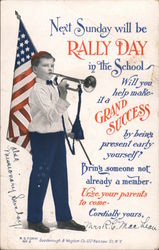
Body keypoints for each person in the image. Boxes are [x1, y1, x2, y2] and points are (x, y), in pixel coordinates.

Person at [27, 51, 86, 233]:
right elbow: (51, 116)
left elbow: (60, 116)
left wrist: (69, 132)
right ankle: (34, 220)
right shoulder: (38, 90)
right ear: (35, 69)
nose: (50, 69)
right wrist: (63, 96)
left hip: (57, 137)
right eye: (45, 65)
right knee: (40, 177)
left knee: (61, 178)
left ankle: (64, 218)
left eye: (52, 65)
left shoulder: (52, 86)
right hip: (42, 138)